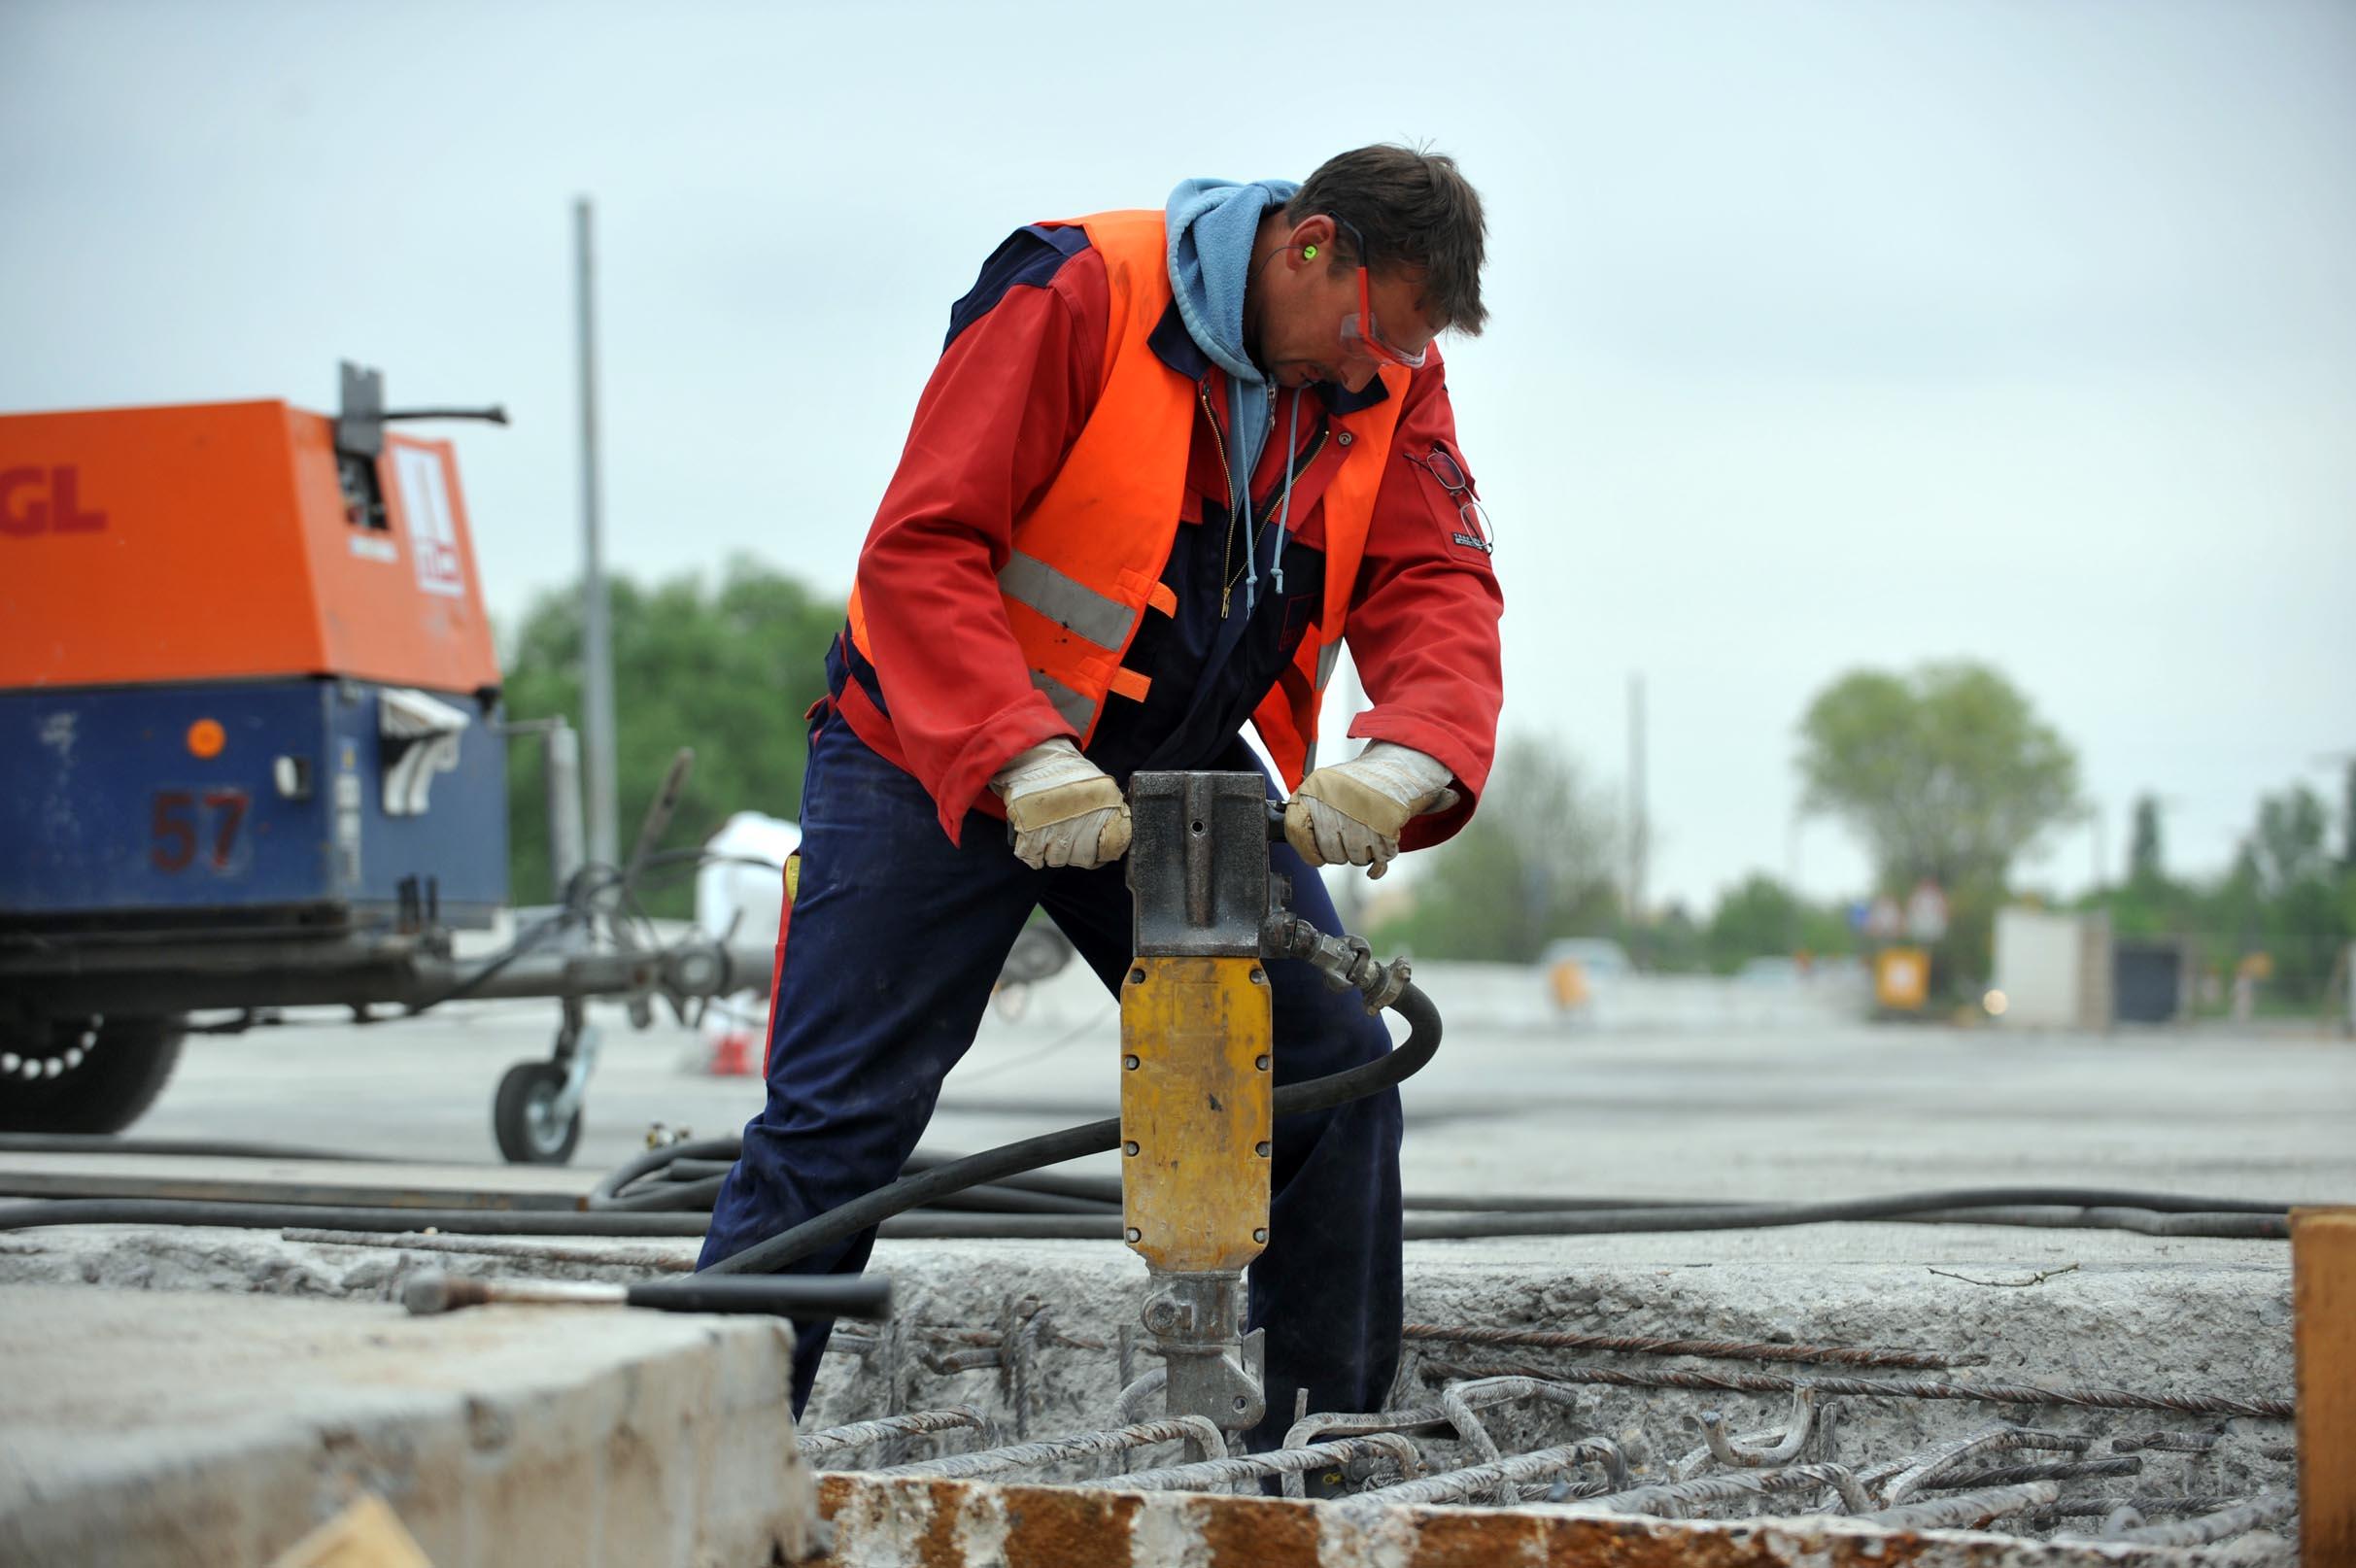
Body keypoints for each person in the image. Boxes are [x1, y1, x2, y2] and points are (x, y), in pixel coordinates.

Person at [700, 145, 1505, 1446]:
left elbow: (1435, 583)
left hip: (1161, 765)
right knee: (838, 1124)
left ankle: (1320, 1454)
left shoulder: (1385, 369)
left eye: (1396, 353)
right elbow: (923, 550)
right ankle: (702, 1463)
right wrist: (1018, 755)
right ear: (1308, 248)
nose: (1367, 374)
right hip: (930, 751)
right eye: (1364, 333)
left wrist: (1408, 751)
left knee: (1334, 1072)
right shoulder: (1077, 291)